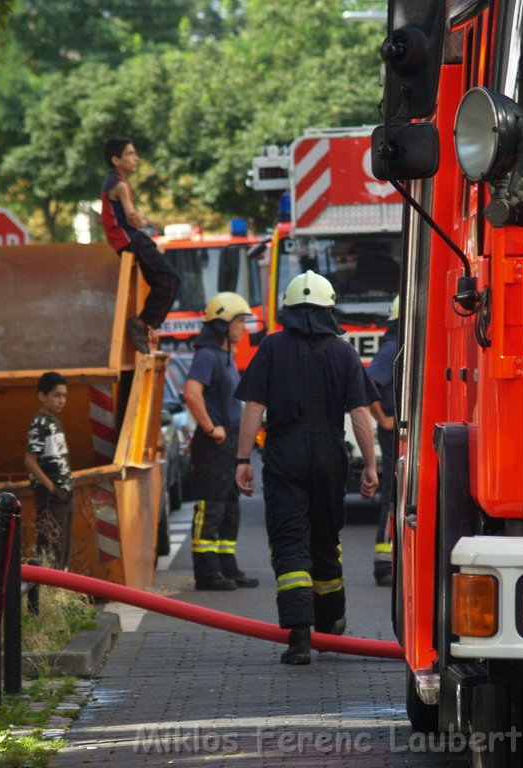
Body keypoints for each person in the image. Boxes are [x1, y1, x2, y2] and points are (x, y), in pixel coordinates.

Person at [234, 270, 380, 665]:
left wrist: (244, 459)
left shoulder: (271, 348)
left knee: (289, 543)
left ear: (288, 309)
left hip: (284, 455)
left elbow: (253, 408)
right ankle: (331, 623)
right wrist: (369, 464)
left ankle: (299, 638)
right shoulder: (344, 351)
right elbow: (360, 413)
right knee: (326, 540)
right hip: (331, 456)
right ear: (329, 308)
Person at [183, 292, 260, 591]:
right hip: (215, 444)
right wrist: (210, 427)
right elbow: (191, 392)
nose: (244, 327)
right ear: (222, 324)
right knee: (211, 508)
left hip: (227, 445)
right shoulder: (207, 355)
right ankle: (206, 572)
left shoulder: (226, 356)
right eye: (240, 320)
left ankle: (227, 567)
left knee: (229, 507)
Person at [101, 137, 180, 355]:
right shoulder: (119, 185)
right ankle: (143, 324)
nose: (135, 158)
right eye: (129, 154)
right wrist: (142, 218)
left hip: (128, 240)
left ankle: (145, 324)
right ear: (116, 160)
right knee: (171, 279)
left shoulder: (114, 182)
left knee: (163, 280)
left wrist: (140, 219)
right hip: (130, 241)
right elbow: (134, 220)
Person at [24, 371, 74, 569]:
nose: (61, 400)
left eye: (64, 395)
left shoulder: (55, 423)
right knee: (50, 545)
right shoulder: (39, 424)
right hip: (51, 494)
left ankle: (61, 589)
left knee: (63, 546)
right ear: (42, 396)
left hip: (64, 491)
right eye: (56, 395)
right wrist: (51, 488)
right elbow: (29, 460)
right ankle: (47, 590)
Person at [367, 295, 399, 587]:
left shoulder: (399, 342)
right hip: (393, 432)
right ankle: (384, 564)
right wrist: (384, 419)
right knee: (392, 493)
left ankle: (393, 559)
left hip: (400, 431)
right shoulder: (392, 348)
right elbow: (369, 383)